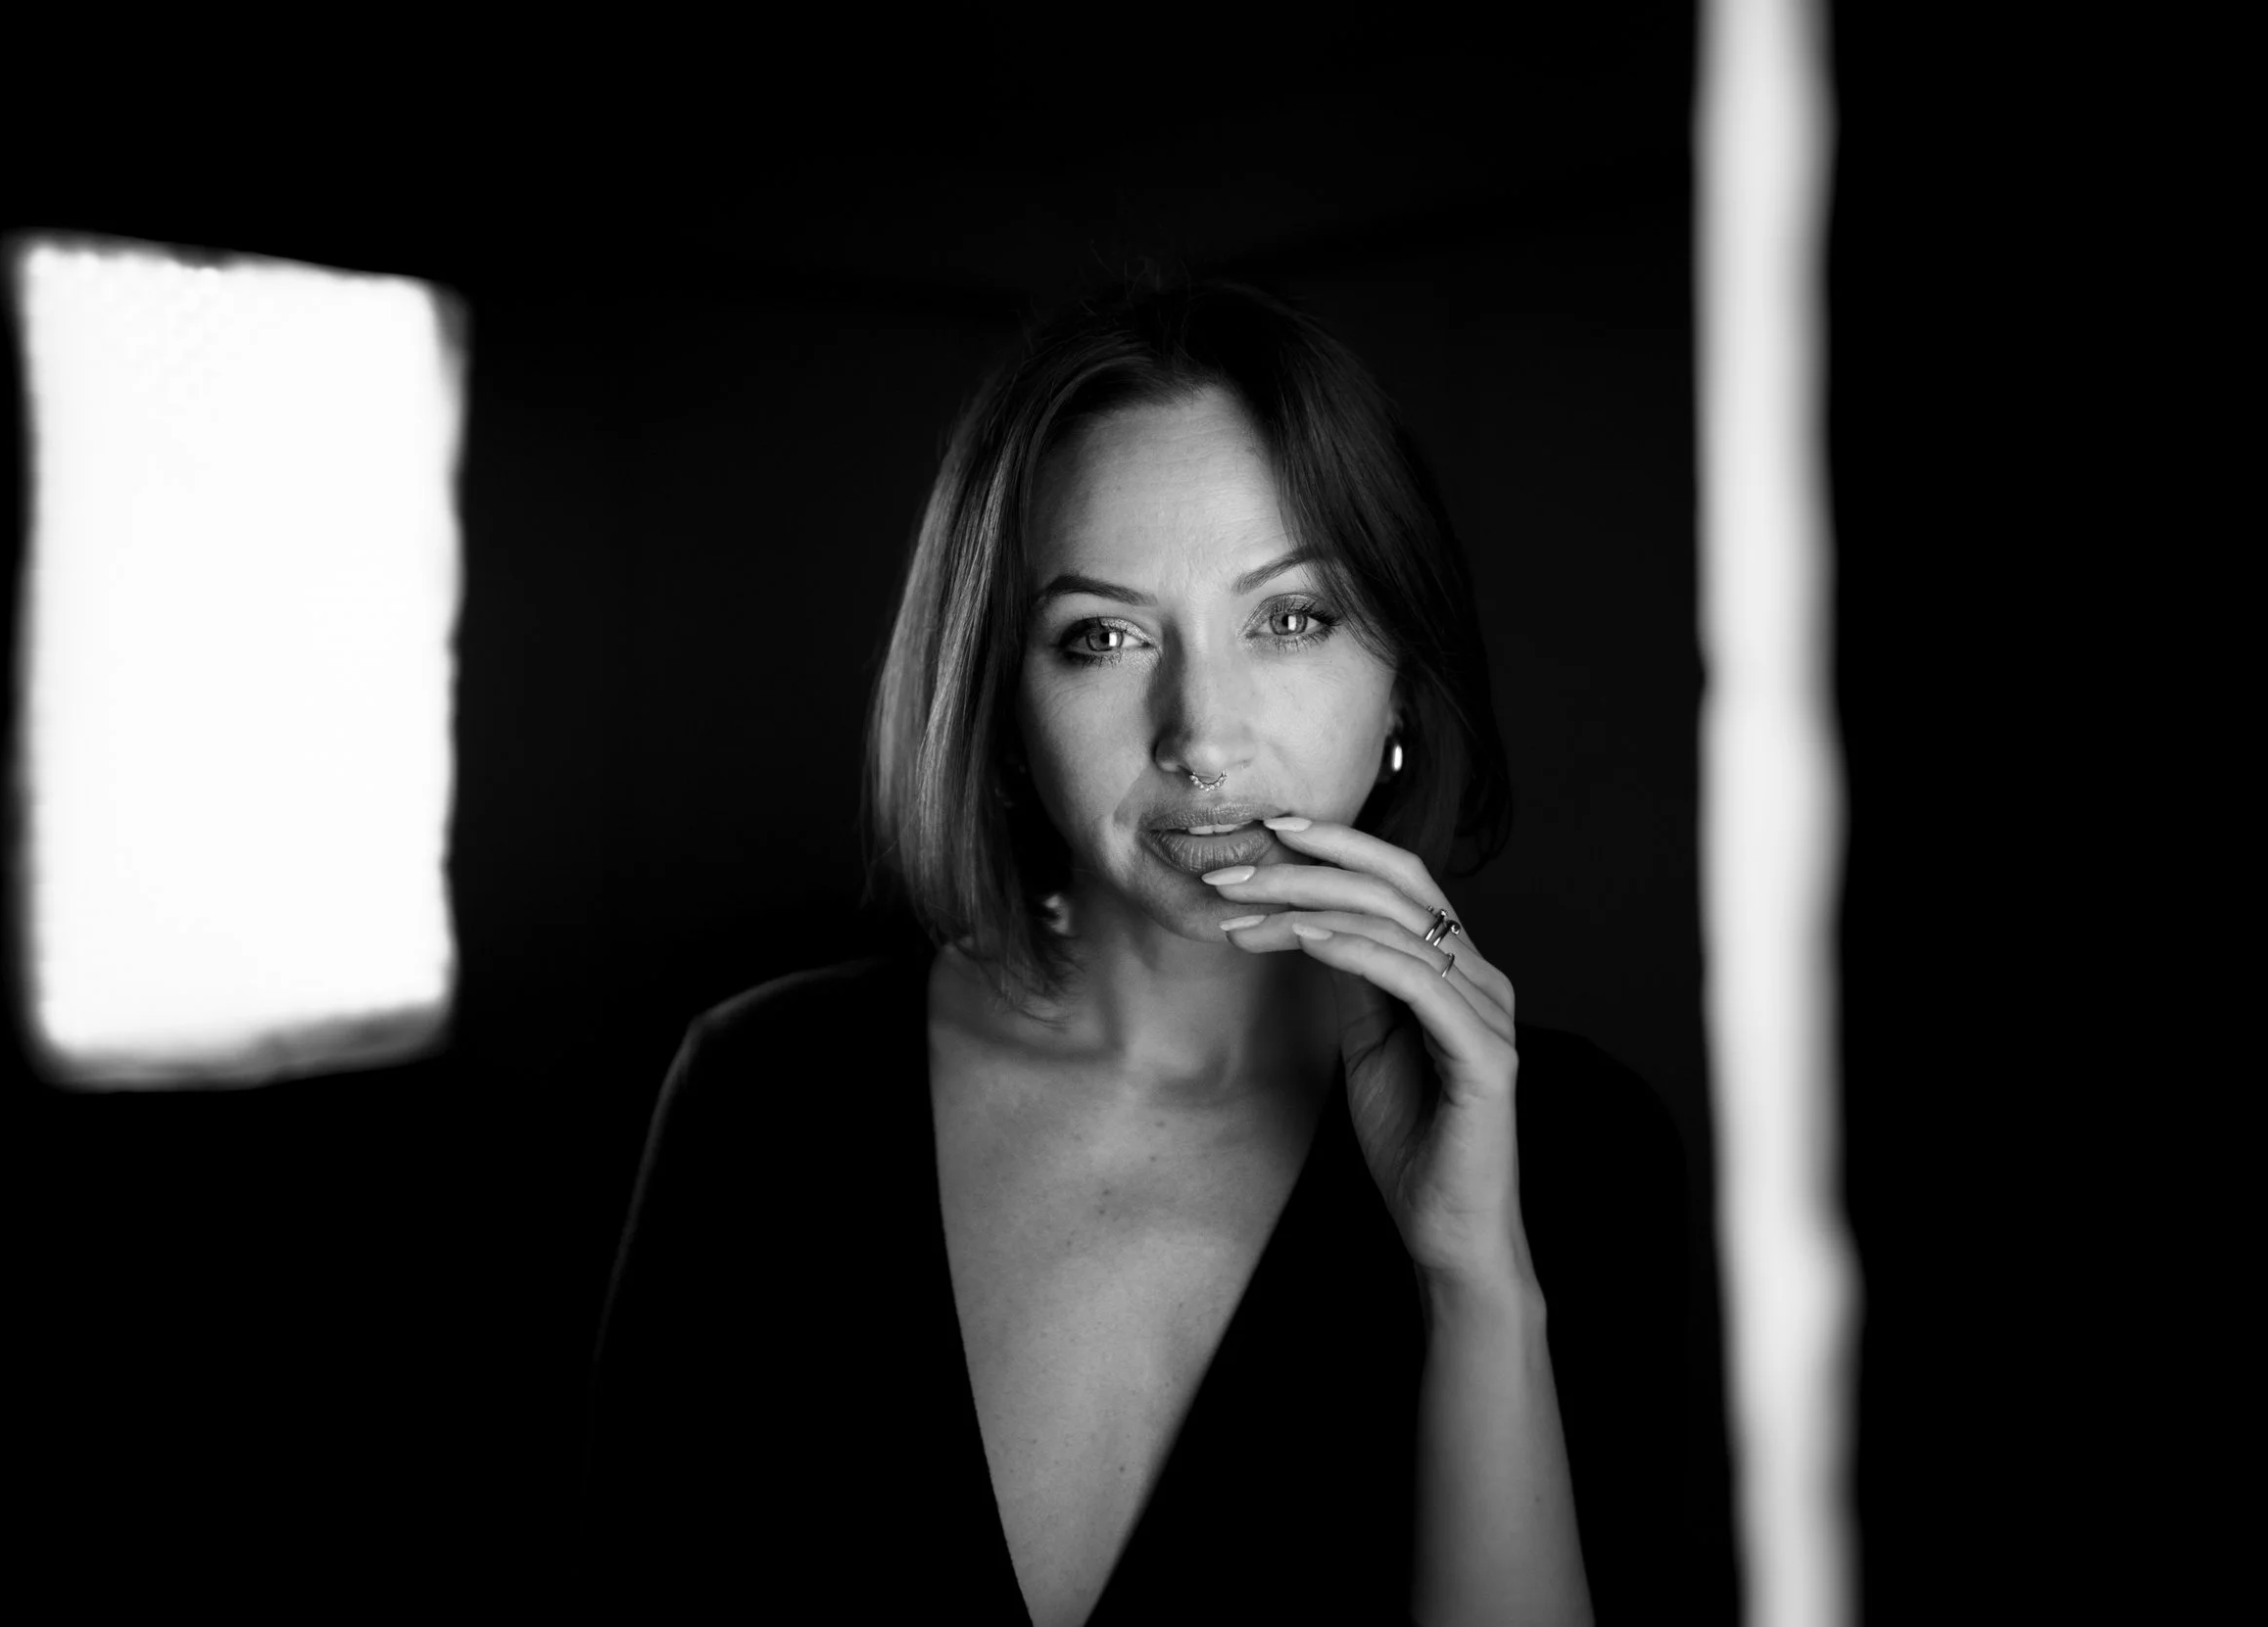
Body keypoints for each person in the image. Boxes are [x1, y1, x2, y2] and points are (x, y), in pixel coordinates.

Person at [586, 274, 1715, 1624]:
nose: (1201, 736)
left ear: (1402, 668)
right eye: (1103, 636)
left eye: (1290, 618)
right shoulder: (768, 1089)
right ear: (1002, 701)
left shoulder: (1581, 1151)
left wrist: (1477, 1284)